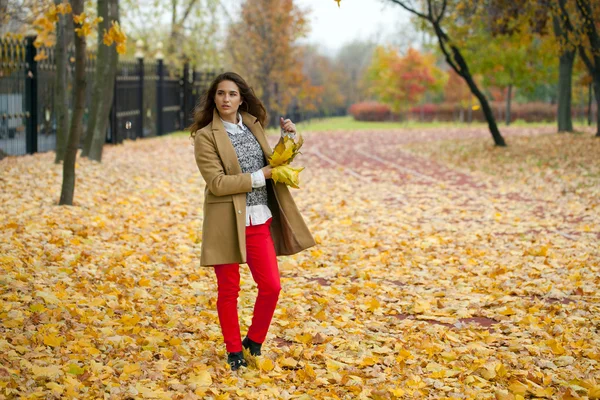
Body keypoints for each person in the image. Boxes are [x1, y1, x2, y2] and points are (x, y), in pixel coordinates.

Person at [189, 72, 316, 370]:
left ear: (241, 97)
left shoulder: (252, 125)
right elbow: (217, 183)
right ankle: (234, 351)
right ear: (214, 98)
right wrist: (261, 177)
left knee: (271, 286)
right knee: (229, 290)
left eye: (232, 94)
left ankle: (253, 342)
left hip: (258, 219)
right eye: (220, 93)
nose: (226, 99)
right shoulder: (205, 136)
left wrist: (289, 137)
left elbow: (274, 163)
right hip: (227, 222)